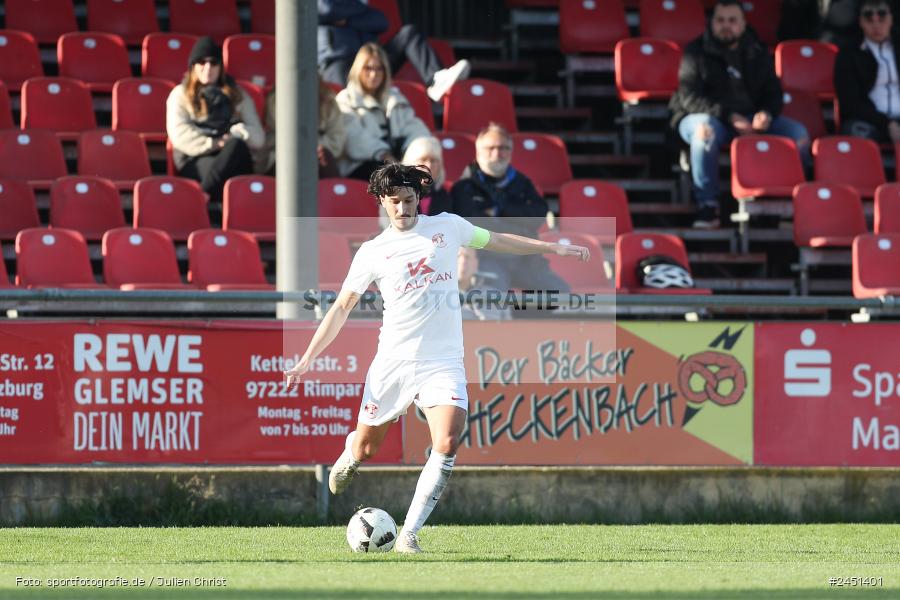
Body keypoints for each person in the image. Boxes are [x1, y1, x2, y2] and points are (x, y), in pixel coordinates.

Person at [283, 163, 589, 553]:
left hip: (443, 361)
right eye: (394, 202)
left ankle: (408, 533)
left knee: (446, 441)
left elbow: (496, 240)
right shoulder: (373, 252)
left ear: (419, 199)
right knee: (366, 450)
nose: (403, 209)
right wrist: (307, 357)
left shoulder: (447, 226)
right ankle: (352, 450)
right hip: (393, 362)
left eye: (409, 201)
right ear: (382, 203)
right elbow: (342, 306)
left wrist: (550, 247)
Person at [669, 0, 811, 228]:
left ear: (743, 23)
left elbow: (773, 92)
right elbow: (690, 98)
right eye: (721, 20)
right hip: (708, 117)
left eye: (732, 20)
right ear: (711, 23)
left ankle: (793, 204)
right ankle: (708, 205)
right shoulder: (695, 51)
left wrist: (766, 113)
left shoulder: (756, 49)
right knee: (703, 131)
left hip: (751, 118)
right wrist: (729, 116)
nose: (726, 26)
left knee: (799, 134)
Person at [447, 123, 571, 295]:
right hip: (487, 258)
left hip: (526, 259)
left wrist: (499, 210)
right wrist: (520, 223)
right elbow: (475, 225)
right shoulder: (463, 187)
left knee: (561, 294)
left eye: (503, 148)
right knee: (492, 300)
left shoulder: (523, 182)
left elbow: (537, 216)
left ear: (511, 152)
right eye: (491, 148)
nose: (497, 154)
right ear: (478, 152)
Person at [166, 36, 264, 203]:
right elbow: (179, 136)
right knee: (230, 175)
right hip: (194, 159)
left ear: (221, 67)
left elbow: (259, 138)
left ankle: (202, 196)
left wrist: (236, 132)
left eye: (213, 63)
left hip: (231, 159)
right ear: (193, 66)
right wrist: (216, 143)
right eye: (202, 62)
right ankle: (204, 199)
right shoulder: (180, 94)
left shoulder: (237, 94)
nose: (208, 68)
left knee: (236, 146)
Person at [318, 0, 470, 101]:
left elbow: (381, 22)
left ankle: (435, 79)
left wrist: (347, 19)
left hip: (372, 61)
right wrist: (361, 12)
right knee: (348, 103)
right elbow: (326, 9)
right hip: (338, 60)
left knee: (409, 33)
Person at [336, 43, 431, 181]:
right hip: (362, 166)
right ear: (358, 70)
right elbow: (353, 138)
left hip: (397, 162)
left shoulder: (396, 98)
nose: (373, 74)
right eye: (368, 68)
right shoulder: (345, 99)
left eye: (379, 69)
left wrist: (420, 152)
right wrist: (384, 154)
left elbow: (414, 128)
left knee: (426, 170)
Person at [834, 0, 900, 142]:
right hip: (870, 121)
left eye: (882, 16)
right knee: (856, 132)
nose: (876, 24)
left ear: (891, 19)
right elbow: (851, 102)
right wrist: (887, 124)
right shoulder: (848, 53)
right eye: (868, 17)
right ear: (860, 22)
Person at [261, 79, 347, 178]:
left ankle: (330, 192)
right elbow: (288, 137)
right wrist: (309, 147)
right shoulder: (278, 100)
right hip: (281, 158)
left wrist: (315, 147)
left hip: (320, 158)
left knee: (323, 155)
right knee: (295, 155)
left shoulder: (328, 102)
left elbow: (336, 142)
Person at [457, 247, 511, 321]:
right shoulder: (440, 294)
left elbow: (509, 327)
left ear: (475, 264)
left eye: (467, 257)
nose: (463, 261)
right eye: (458, 257)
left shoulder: (494, 296)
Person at [401, 136, 449, 215]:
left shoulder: (445, 196)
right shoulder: (394, 195)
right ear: (410, 163)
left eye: (433, 160)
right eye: (423, 159)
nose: (429, 165)